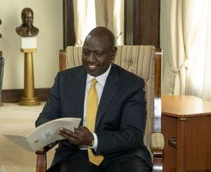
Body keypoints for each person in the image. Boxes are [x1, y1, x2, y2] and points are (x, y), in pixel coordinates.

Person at [35, 27, 151, 172]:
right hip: (74, 154)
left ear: (112, 53)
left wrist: (93, 140)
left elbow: (133, 135)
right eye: (85, 52)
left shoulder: (131, 84)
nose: (90, 59)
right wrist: (57, 129)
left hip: (123, 155)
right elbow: (45, 118)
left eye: (97, 54)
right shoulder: (64, 79)